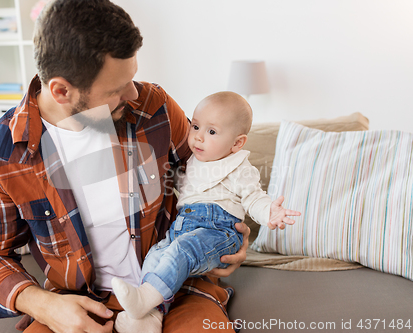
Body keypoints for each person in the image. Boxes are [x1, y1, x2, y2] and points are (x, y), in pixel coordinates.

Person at [0, 1, 250, 332]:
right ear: (61, 90)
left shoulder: (151, 108)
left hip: (178, 288)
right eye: (116, 89)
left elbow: (216, 172)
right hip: (78, 300)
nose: (133, 92)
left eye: (131, 77)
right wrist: (43, 304)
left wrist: (231, 237)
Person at [111, 92, 302, 331]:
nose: (198, 137)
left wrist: (269, 213)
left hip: (219, 231)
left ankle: (144, 299)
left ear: (237, 143)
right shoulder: (191, 162)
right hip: (183, 228)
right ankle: (149, 316)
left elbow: (254, 198)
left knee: (183, 250)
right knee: (157, 255)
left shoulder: (239, 167)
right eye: (196, 126)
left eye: (211, 132)